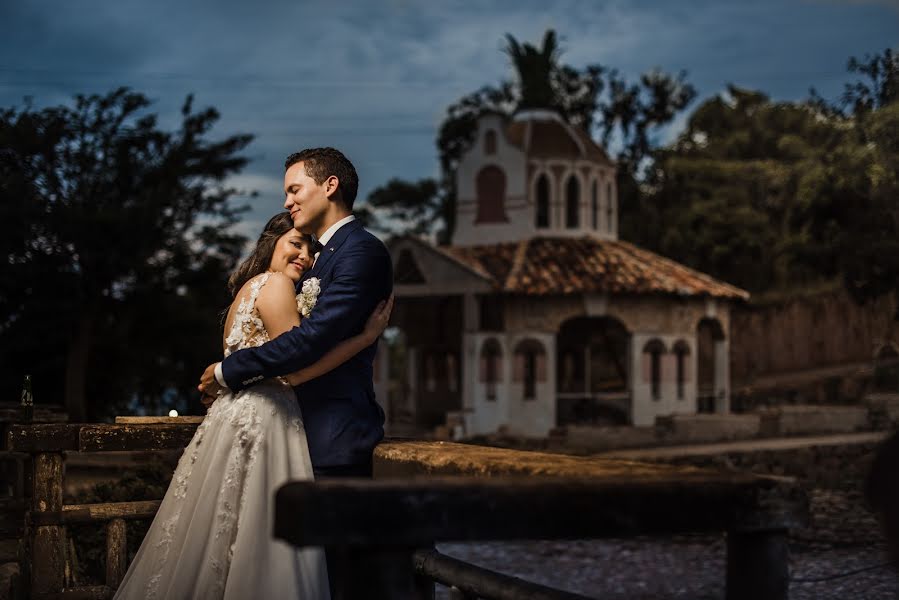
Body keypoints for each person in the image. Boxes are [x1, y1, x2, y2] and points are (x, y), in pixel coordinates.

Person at [114, 213, 393, 600]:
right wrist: (365, 339)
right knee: (258, 536)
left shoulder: (246, 291)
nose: (305, 256)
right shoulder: (276, 285)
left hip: (232, 419)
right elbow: (295, 370)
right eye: (296, 243)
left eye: (311, 250)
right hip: (266, 421)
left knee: (220, 531)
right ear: (271, 243)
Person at [198, 147, 394, 596]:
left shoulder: (361, 252)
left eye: (294, 189)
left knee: (328, 579)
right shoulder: (314, 261)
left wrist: (230, 371)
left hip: (332, 439)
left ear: (330, 186)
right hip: (289, 434)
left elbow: (310, 340)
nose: (287, 201)